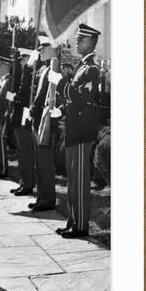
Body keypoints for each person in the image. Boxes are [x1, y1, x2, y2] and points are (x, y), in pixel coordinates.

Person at [52, 23, 102, 238]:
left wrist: (61, 81)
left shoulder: (92, 69)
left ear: (90, 42)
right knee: (73, 180)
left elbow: (81, 98)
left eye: (80, 39)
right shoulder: (82, 67)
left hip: (82, 133)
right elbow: (72, 100)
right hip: (74, 130)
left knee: (80, 181)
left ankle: (81, 226)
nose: (76, 42)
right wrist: (61, 110)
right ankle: (73, 220)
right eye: (77, 38)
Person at [28, 40, 60, 212]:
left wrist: (36, 109)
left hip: (46, 121)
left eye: (43, 49)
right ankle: (41, 197)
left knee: (46, 164)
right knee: (40, 163)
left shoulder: (55, 68)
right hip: (38, 119)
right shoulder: (44, 68)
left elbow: (50, 95)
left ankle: (47, 200)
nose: (40, 52)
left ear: (51, 49)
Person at [9, 48, 36, 196]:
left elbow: (23, 94)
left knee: (26, 153)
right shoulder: (24, 73)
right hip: (19, 117)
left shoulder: (29, 73)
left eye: (22, 59)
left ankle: (28, 184)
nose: (20, 62)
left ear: (28, 58)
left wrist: (14, 98)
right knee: (21, 152)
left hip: (24, 118)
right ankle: (24, 182)